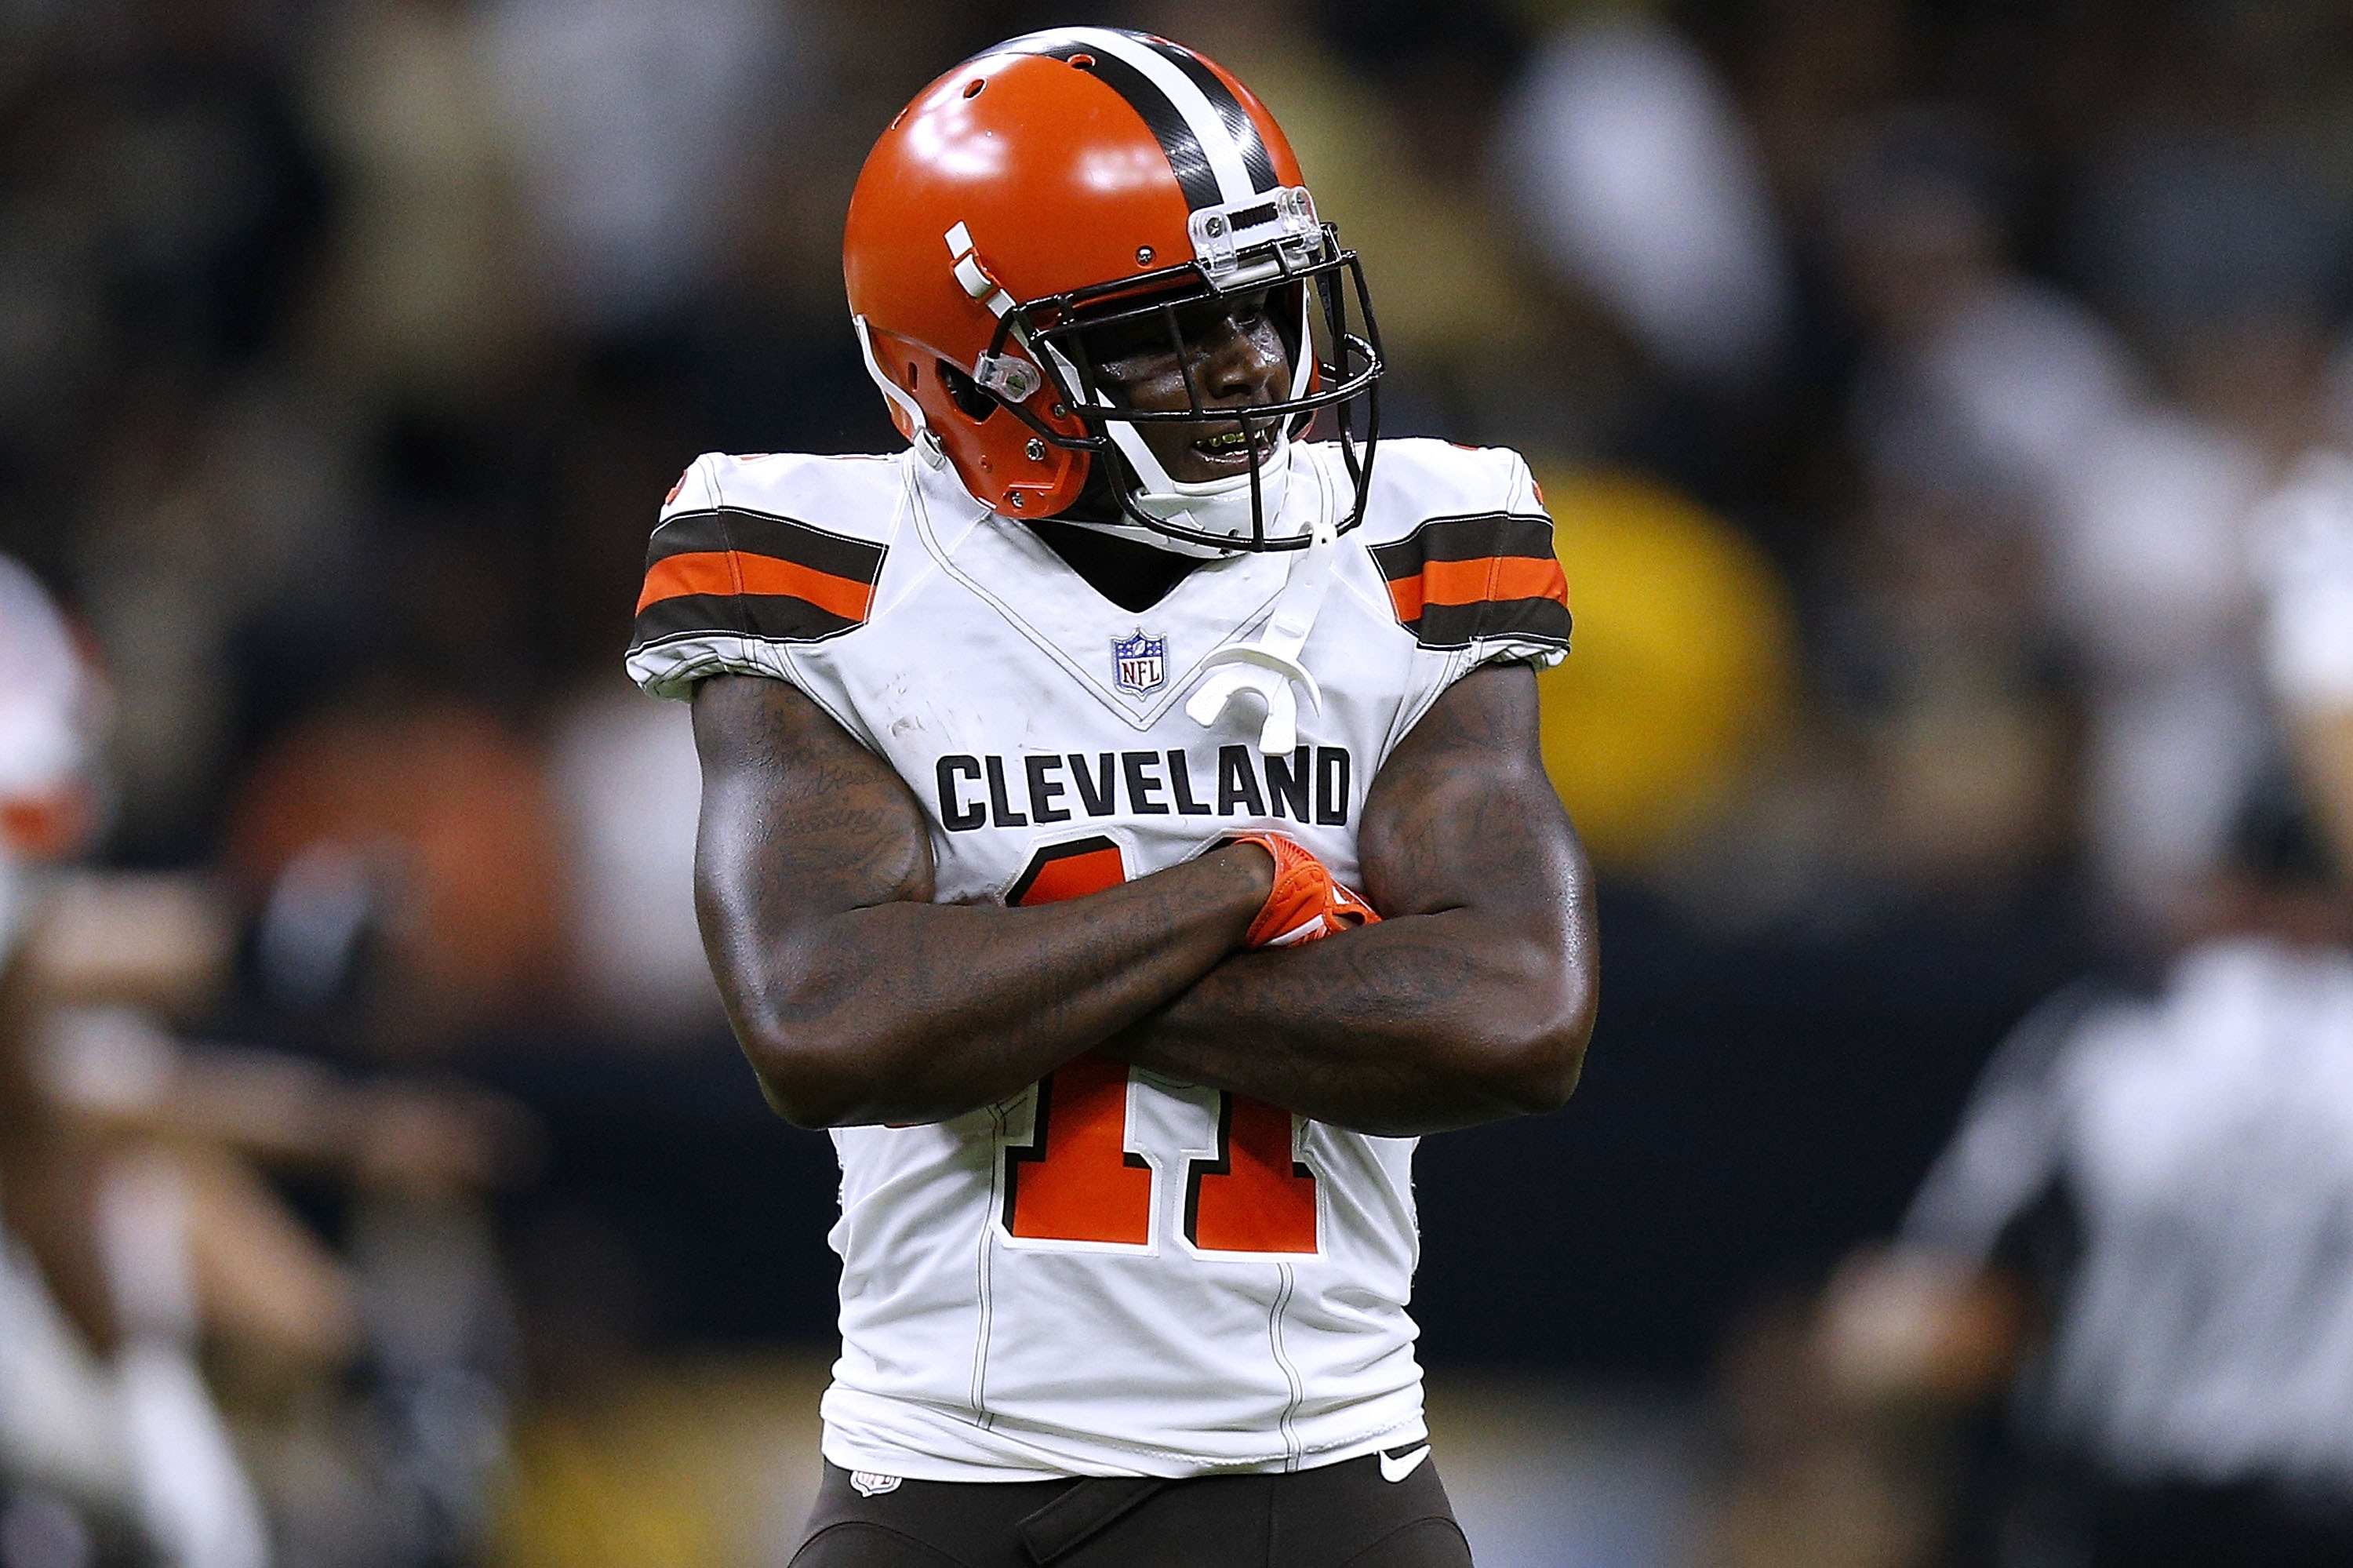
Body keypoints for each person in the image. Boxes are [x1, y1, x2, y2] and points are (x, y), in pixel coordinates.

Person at [626, 28, 1596, 1567]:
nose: (1253, 362)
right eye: (1165, 328)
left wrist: (996, 966)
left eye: (1261, 301)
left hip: (1316, 1463)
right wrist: (1237, 889)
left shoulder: (1421, 537)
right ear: (974, 373)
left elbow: (1515, 1016)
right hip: (935, 1471)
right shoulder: (815, 558)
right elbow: (829, 1025)